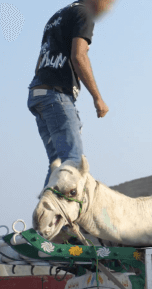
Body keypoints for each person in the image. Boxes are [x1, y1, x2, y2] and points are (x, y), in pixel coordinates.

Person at [27, 0, 115, 187]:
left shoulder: (57, 16)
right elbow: (79, 56)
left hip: (39, 93)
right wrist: (98, 98)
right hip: (55, 95)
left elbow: (42, 60)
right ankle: (58, 215)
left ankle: (45, 215)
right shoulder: (84, 14)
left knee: (58, 164)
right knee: (73, 163)